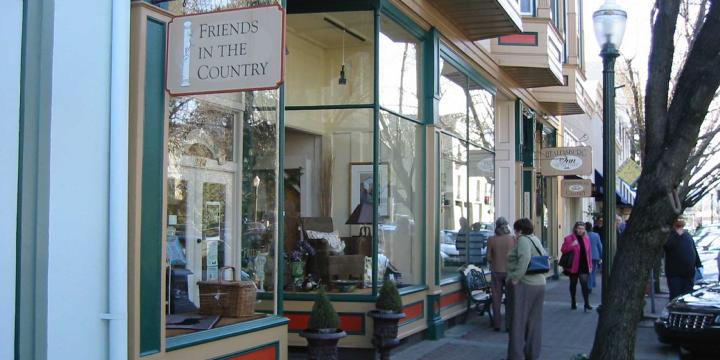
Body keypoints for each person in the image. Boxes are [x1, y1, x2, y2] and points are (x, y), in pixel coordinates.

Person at [506, 218, 546, 360]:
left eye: (515, 230)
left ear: (520, 230)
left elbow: (524, 259)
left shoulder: (523, 240)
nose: (514, 233)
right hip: (539, 283)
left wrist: (515, 278)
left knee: (518, 321)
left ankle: (516, 356)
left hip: (525, 284)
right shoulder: (535, 239)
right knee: (534, 322)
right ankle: (532, 353)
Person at [487, 217, 516, 331]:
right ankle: (509, 325)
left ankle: (497, 324)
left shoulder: (492, 239)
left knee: (496, 299)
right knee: (510, 299)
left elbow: (488, 257)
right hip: (509, 272)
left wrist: (494, 259)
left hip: (496, 271)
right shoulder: (513, 239)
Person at [664, 216, 702, 300]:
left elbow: (694, 251)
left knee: (688, 298)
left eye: (682, 219)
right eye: (678, 219)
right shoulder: (670, 236)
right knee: (676, 298)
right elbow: (667, 246)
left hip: (689, 274)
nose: (681, 221)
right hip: (675, 275)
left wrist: (699, 265)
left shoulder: (687, 235)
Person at [561, 222, 593, 311]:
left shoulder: (586, 239)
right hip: (573, 266)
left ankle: (586, 303)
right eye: (579, 228)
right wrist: (572, 245)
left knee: (584, 285)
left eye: (582, 228)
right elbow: (563, 250)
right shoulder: (569, 238)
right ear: (575, 229)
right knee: (573, 284)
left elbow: (589, 253)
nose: (580, 230)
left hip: (584, 265)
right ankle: (573, 301)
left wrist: (590, 265)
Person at [585, 221, 602, 293]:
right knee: (592, 271)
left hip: (585, 256)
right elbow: (599, 246)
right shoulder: (596, 235)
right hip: (594, 256)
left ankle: (587, 285)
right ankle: (590, 285)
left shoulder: (583, 236)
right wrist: (601, 256)